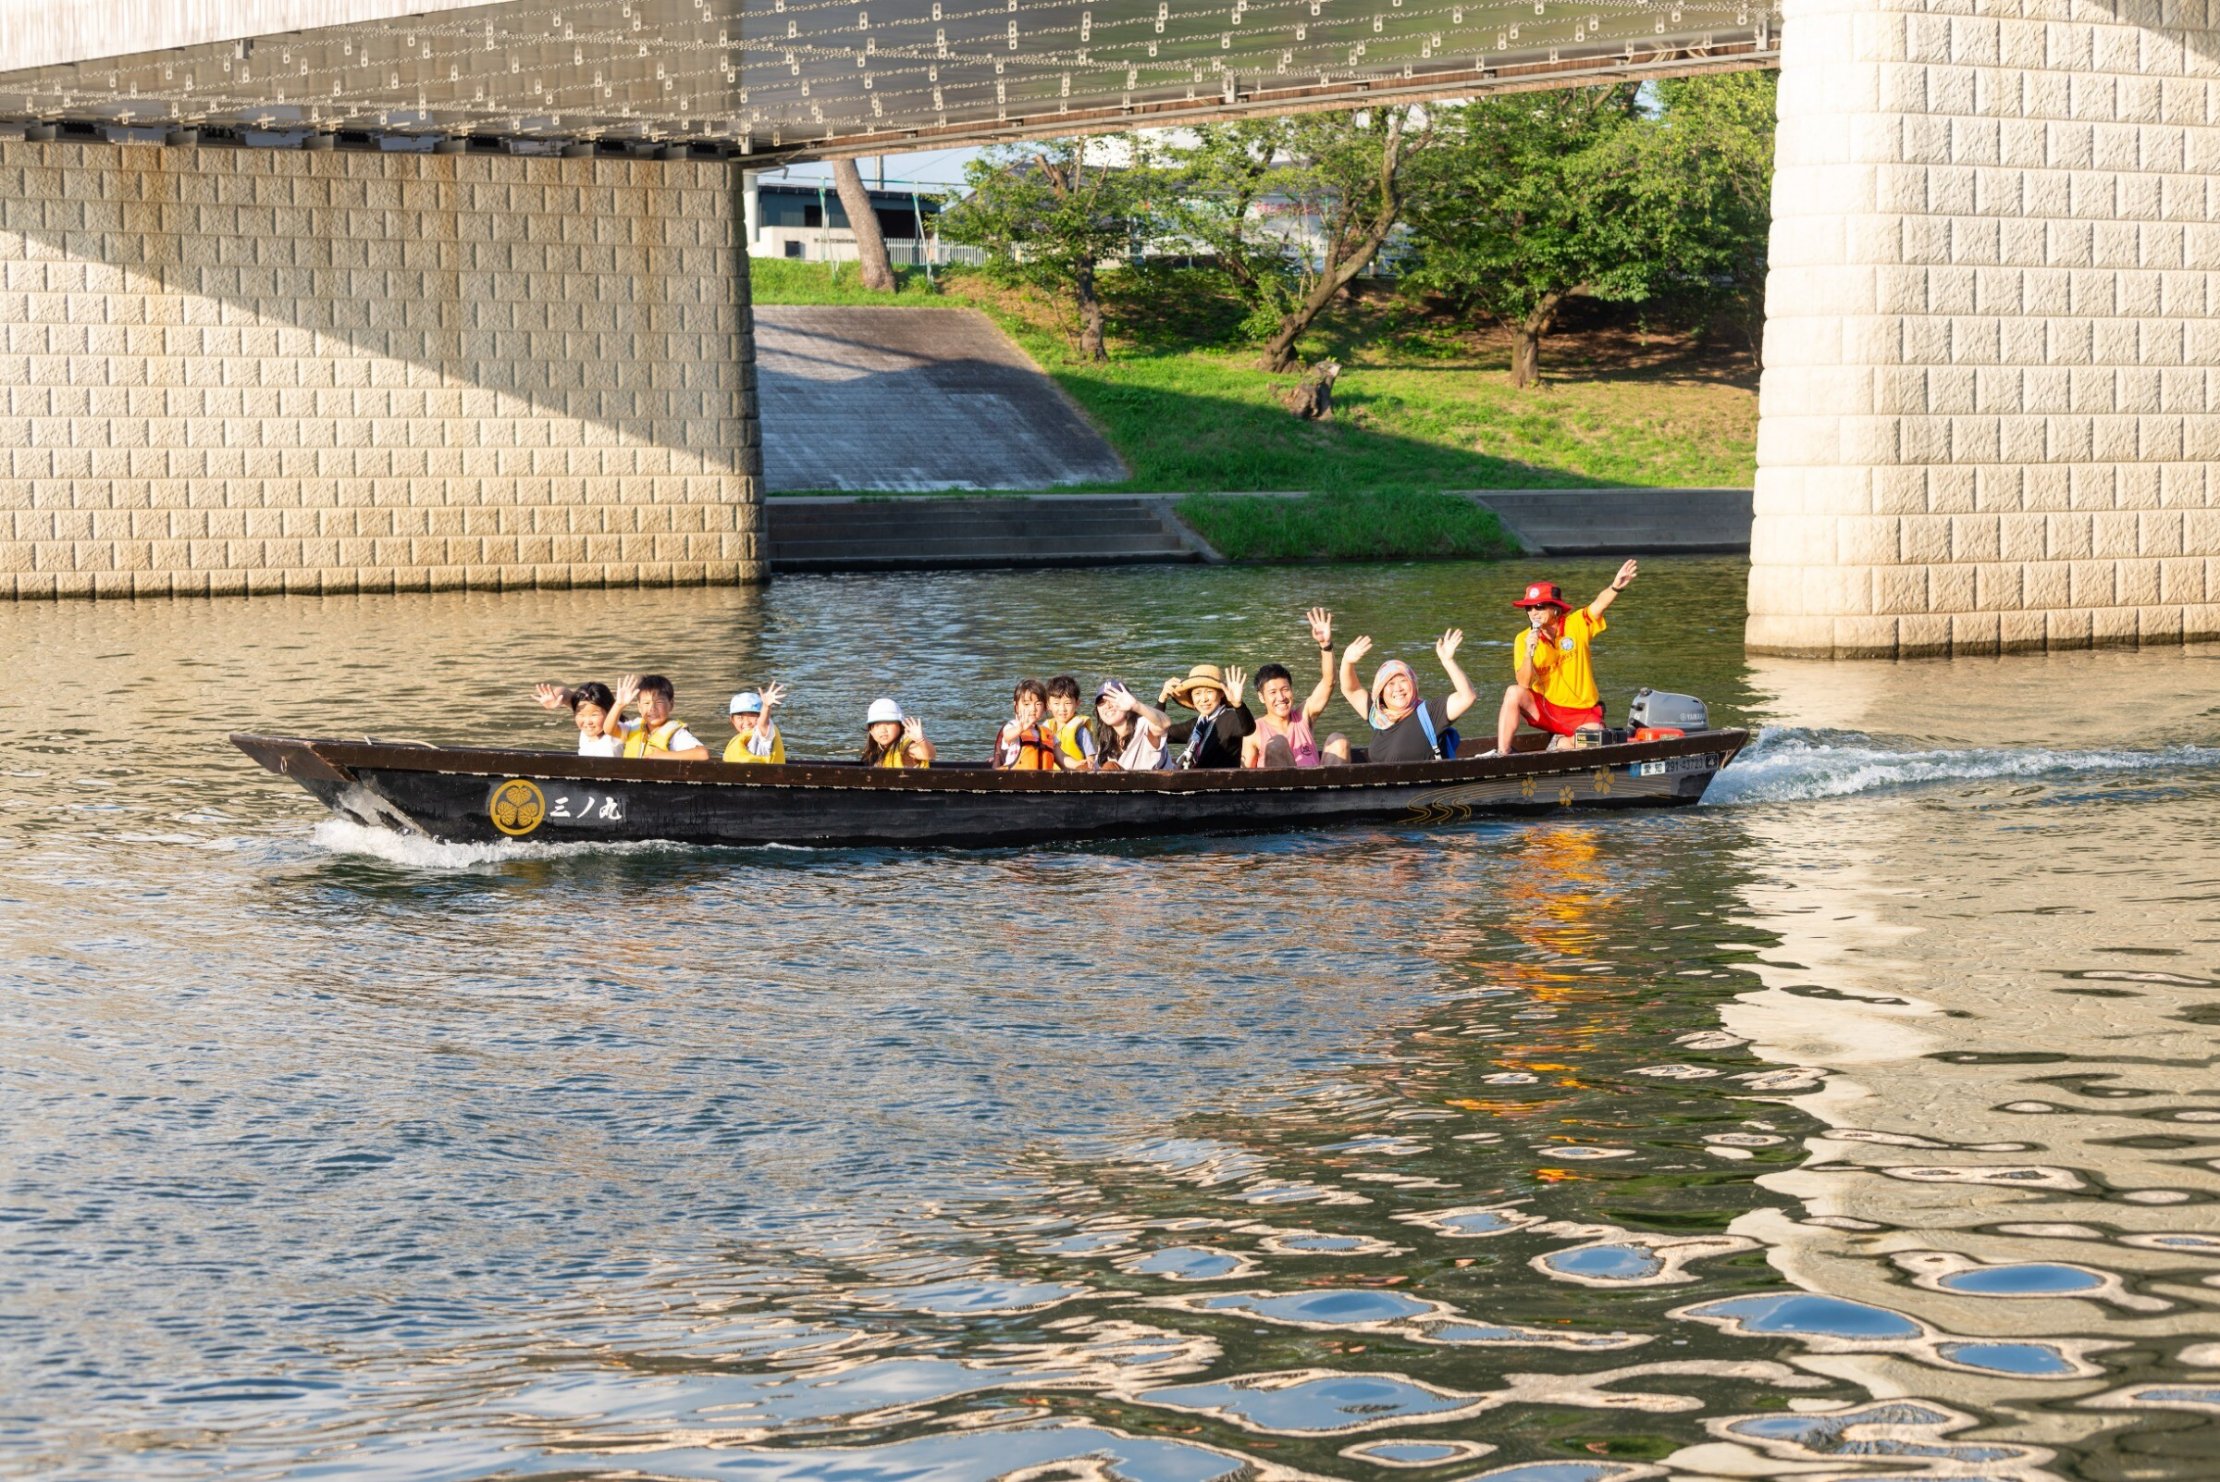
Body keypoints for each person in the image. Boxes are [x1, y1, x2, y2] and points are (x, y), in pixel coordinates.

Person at [1494, 561, 1637, 755]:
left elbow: (1599, 605)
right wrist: (1529, 651)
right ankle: (1502, 754)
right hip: (1548, 710)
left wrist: (1615, 587)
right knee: (1513, 692)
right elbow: (1523, 683)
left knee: (1596, 739)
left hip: (1583, 713)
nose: (1533, 613)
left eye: (1538, 606)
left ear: (1555, 609)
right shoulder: (1522, 639)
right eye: (1528, 608)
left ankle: (1561, 744)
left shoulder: (1576, 624)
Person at [1339, 631, 1476, 764]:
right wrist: (1347, 662)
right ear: (1380, 692)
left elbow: (1467, 696)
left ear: (1413, 684)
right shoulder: (1378, 715)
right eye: (1390, 683)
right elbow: (1351, 690)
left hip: (1426, 786)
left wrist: (1448, 661)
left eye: (1403, 681)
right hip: (1384, 786)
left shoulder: (1430, 713)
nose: (1398, 688)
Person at [1242, 607, 1352, 768]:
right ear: (1261, 697)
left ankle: (1334, 793)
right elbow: (1244, 775)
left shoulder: (1303, 716)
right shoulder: (1254, 730)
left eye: (1285, 689)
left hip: (1318, 789)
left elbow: (1329, 681)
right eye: (1273, 692)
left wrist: (1325, 645)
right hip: (1279, 791)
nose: (1281, 697)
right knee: (1277, 744)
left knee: (1338, 740)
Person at [1164, 663, 1254, 769]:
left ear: (1221, 694)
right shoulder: (1198, 725)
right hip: (1194, 782)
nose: (1203, 699)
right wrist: (1162, 699)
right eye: (1197, 693)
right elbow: (1157, 734)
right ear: (1191, 698)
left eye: (1209, 692)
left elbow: (1247, 729)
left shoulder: (1230, 718)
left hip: (1220, 783)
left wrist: (1238, 705)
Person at [604, 673, 710, 761]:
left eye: (659, 702)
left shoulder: (676, 734)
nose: (652, 708)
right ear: (639, 707)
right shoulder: (632, 727)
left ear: (671, 705)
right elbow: (609, 729)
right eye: (646, 703)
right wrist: (619, 705)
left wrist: (663, 755)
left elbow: (702, 754)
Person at [1090, 679, 1172, 771]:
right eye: (1102, 702)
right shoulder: (1106, 737)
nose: (1108, 706)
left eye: (1113, 699)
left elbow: (1165, 723)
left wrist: (1136, 706)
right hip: (1122, 784)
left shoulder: (1144, 726)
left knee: (1110, 766)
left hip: (1156, 784)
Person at [533, 681, 622, 758]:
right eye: (581, 715)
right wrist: (556, 697)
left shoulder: (617, 731)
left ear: (610, 711)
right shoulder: (586, 729)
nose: (588, 721)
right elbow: (566, 694)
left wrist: (619, 705)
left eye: (594, 715)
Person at [992, 678, 1059, 769]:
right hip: (1015, 781)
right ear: (1016, 707)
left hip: (1042, 781)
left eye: (1038, 704)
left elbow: (1063, 758)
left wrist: (1078, 764)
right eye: (1027, 704)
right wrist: (1020, 729)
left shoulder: (1049, 734)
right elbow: (1007, 736)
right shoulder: (1013, 726)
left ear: (1045, 707)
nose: (1033, 709)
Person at [861, 698, 935, 768]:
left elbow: (929, 755)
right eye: (877, 725)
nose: (883, 730)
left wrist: (920, 740)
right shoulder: (874, 752)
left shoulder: (906, 749)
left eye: (888, 724)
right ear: (871, 731)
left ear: (900, 726)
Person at [724, 683, 788, 764]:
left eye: (752, 716)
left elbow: (763, 724)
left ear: (760, 716)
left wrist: (766, 707)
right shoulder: (739, 739)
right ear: (732, 720)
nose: (746, 722)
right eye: (740, 717)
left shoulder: (763, 735)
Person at [1045, 674, 1097, 771]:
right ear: (1048, 705)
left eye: (1068, 703)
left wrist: (1088, 764)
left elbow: (1091, 757)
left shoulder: (1081, 731)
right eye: (1056, 703)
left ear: (1077, 703)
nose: (1062, 709)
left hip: (1075, 774)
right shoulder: (1046, 728)